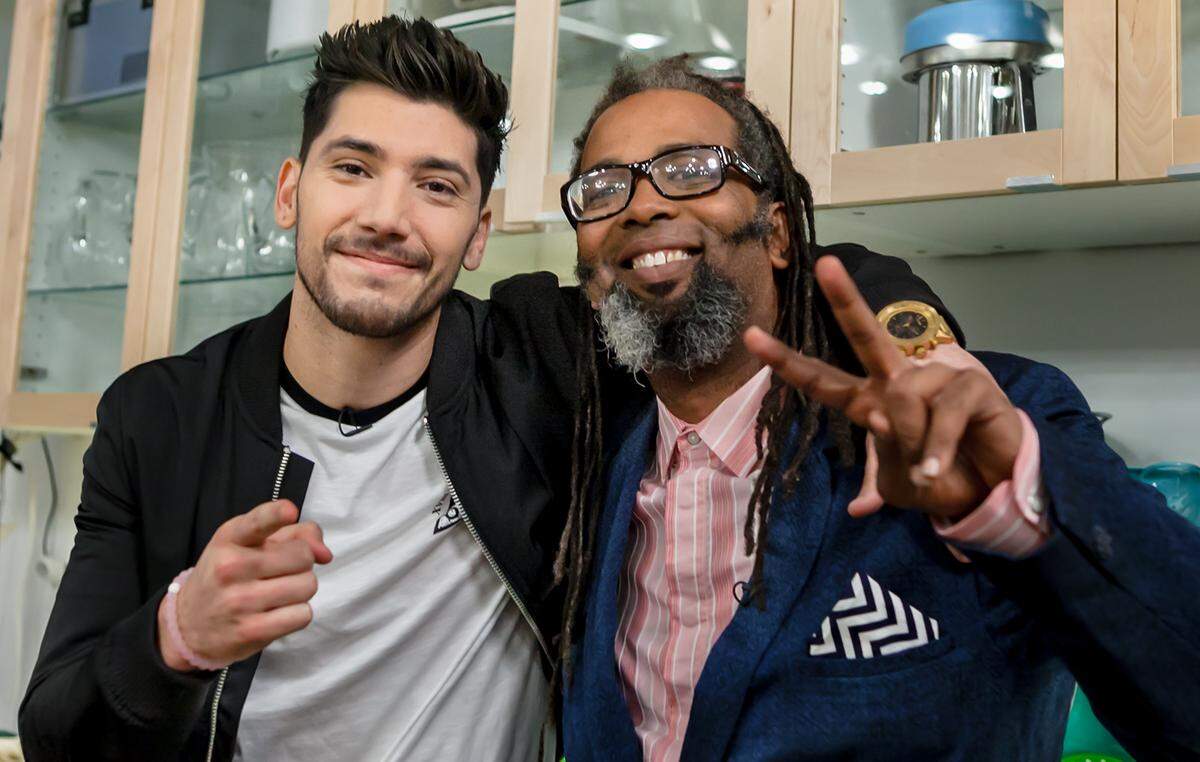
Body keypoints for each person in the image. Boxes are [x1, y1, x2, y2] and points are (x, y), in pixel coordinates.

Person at [17, 18, 963, 762]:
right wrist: (177, 635)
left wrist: (924, 353)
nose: (386, 217)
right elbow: (59, 731)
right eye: (353, 170)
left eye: (436, 186)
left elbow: (785, 263)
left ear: (476, 233)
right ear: (291, 192)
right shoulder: (159, 417)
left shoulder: (540, 359)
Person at [557, 58, 1200, 761]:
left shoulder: (965, 423)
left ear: (777, 236)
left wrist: (1016, 497)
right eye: (603, 186)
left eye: (690, 169)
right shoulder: (590, 468)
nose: (641, 205)